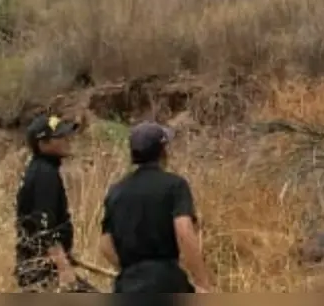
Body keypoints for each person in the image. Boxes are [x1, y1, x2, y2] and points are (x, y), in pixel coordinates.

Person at [99, 121, 215, 293]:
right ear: (162, 151)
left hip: (127, 285)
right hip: (166, 281)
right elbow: (184, 230)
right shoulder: (175, 185)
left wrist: (130, 272)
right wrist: (202, 283)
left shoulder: (116, 191)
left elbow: (105, 245)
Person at [14, 113, 93, 292]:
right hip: (44, 271)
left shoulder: (40, 170)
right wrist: (62, 265)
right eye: (60, 137)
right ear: (43, 144)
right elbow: (43, 225)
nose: (67, 139)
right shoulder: (44, 175)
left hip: (40, 268)